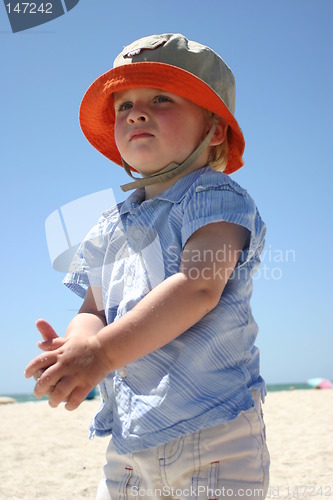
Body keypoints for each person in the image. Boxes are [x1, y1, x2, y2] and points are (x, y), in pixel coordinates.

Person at [25, 33, 270, 499]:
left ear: (215, 130)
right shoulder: (108, 224)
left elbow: (197, 287)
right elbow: (93, 309)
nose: (137, 112)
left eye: (161, 98)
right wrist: (78, 346)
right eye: (125, 104)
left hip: (214, 428)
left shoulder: (214, 197)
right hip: (130, 434)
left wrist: (101, 355)